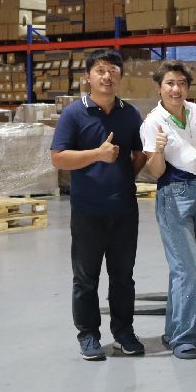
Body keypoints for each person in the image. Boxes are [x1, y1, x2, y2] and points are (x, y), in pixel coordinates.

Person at [51, 49, 147, 360]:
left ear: (121, 76)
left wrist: (121, 178)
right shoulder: (73, 114)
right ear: (88, 76)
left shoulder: (130, 113)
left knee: (123, 277)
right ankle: (89, 335)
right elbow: (58, 158)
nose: (107, 76)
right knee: (85, 279)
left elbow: (139, 154)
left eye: (113, 70)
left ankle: (123, 333)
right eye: (100, 70)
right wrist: (97, 155)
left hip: (124, 211)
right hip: (87, 211)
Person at [140, 60, 196, 359]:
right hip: (174, 196)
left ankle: (174, 330)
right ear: (159, 87)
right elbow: (156, 171)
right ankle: (184, 337)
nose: (176, 89)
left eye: (181, 83)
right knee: (187, 269)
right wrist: (157, 149)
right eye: (170, 83)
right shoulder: (152, 122)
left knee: (195, 268)